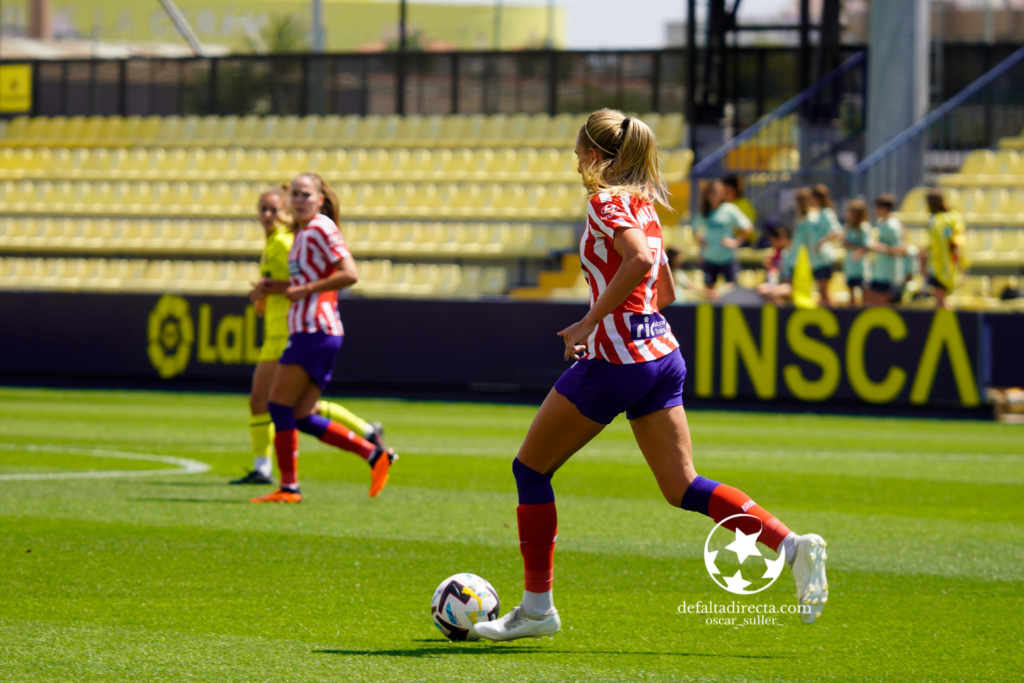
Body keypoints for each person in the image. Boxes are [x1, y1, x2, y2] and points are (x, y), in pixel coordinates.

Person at [473, 109, 828, 642]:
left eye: (578, 149)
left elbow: (638, 262)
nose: (575, 158)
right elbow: (665, 291)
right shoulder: (644, 204)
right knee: (681, 485)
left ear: (594, 155)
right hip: (661, 353)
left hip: (615, 359)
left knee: (530, 470)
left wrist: (590, 320)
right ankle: (790, 544)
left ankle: (537, 609)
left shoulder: (605, 201)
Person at [249, 173, 397, 504]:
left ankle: (289, 487)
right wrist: (278, 289)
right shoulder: (302, 233)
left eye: (306, 194)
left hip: (315, 329)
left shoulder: (321, 227)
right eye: (295, 194)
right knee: (301, 414)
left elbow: (349, 273)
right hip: (311, 329)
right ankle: (374, 454)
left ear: (319, 199)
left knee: (277, 404)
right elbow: (306, 283)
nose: (299, 199)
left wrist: (307, 289)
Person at [694, 179, 754, 298]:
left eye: (719, 192)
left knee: (733, 289)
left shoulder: (729, 209)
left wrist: (736, 242)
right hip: (709, 258)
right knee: (709, 291)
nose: (716, 195)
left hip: (727, 257)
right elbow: (695, 230)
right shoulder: (704, 212)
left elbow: (748, 227)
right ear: (707, 195)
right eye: (713, 192)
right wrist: (701, 242)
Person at [796, 184, 842, 307]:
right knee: (821, 293)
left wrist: (823, 240)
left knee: (824, 292)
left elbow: (838, 232)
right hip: (816, 260)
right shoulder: (816, 214)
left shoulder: (826, 212)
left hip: (824, 258)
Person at [920, 189, 966, 310]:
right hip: (947, 266)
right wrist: (960, 266)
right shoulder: (952, 217)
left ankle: (948, 323)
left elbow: (951, 244)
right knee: (940, 300)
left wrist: (924, 264)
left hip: (939, 266)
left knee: (940, 301)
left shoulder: (936, 221)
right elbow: (956, 244)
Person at [866, 194, 906, 307]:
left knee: (883, 308)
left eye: (876, 208)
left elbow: (902, 250)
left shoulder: (893, 226)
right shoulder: (881, 223)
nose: (874, 211)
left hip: (889, 276)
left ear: (884, 209)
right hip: (878, 274)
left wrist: (880, 248)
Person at [842, 199, 872, 307]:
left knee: (865, 298)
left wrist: (854, 247)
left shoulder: (864, 227)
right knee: (851, 298)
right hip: (850, 269)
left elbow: (868, 247)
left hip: (861, 270)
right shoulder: (848, 228)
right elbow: (844, 244)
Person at [757, 221, 794, 306]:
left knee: (773, 293)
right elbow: (773, 274)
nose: (771, 242)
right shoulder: (774, 253)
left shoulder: (791, 253)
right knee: (760, 289)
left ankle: (782, 316)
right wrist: (770, 266)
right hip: (776, 283)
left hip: (790, 285)